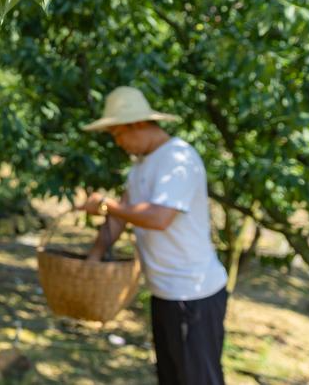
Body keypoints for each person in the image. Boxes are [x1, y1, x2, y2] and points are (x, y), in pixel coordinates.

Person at [79, 86, 228, 385]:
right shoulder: (139, 167)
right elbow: (121, 217)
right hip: (164, 292)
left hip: (192, 294)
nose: (118, 143)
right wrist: (93, 257)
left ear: (138, 124)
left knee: (197, 377)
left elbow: (159, 218)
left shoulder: (178, 159)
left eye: (119, 134)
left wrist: (108, 205)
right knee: (171, 376)